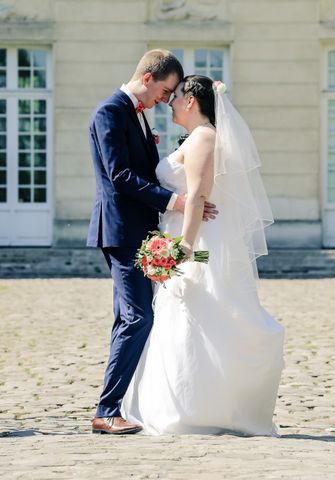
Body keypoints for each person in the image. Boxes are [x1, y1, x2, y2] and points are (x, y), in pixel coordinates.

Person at [122, 75, 285, 436]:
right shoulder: (197, 137)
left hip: (201, 244)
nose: (171, 102)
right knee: (186, 312)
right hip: (189, 234)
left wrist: (184, 246)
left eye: (176, 96)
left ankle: (197, 407)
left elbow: (197, 196)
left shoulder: (205, 137)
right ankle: (181, 402)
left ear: (192, 101)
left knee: (196, 310)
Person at [86, 49, 185, 435]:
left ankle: (116, 405)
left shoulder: (136, 115)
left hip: (140, 229)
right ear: (148, 79)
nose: (166, 98)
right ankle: (107, 410)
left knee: (126, 319)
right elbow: (119, 176)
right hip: (122, 230)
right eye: (165, 90)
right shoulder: (111, 111)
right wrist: (174, 200)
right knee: (138, 317)